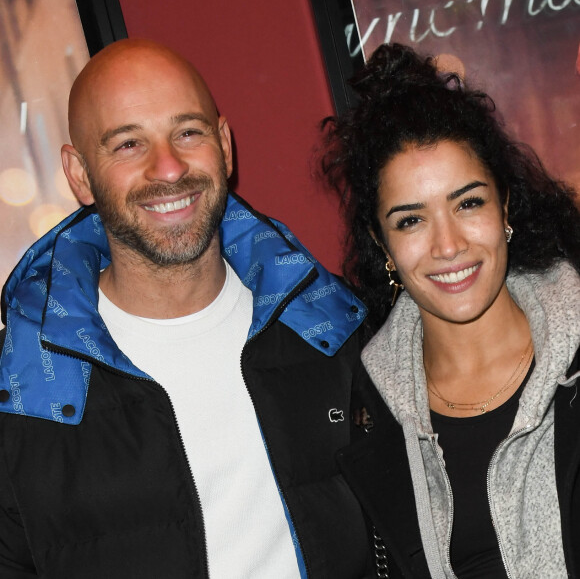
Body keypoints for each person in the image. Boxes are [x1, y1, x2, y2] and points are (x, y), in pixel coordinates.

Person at [0, 39, 374, 578]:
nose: (169, 168)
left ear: (224, 143)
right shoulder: (26, 393)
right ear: (79, 173)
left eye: (188, 132)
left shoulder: (333, 328)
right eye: (128, 144)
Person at [321, 43, 580, 578]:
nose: (447, 245)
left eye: (468, 203)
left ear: (504, 205)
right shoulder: (369, 408)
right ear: (382, 242)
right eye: (411, 220)